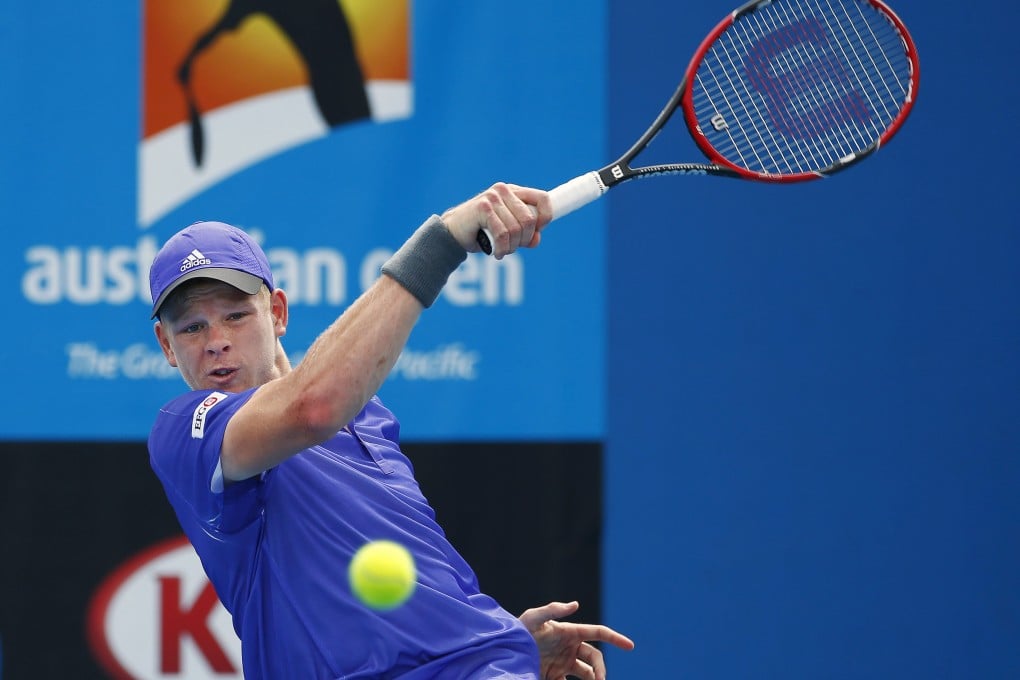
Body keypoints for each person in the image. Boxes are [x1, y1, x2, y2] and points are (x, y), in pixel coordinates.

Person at [146, 182, 634, 679]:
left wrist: (497, 636)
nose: (217, 342)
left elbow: (410, 559)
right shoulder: (185, 430)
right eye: (192, 328)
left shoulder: (368, 414)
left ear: (276, 313)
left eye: (235, 315)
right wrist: (443, 241)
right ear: (166, 345)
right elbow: (312, 406)